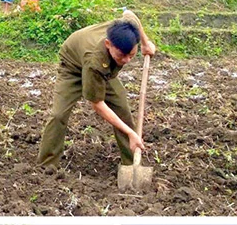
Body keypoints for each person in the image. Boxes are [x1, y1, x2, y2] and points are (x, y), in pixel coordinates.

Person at [38, 13, 156, 169]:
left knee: (122, 109)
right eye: (122, 55)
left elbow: (130, 14)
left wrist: (145, 43)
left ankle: (131, 164)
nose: (127, 60)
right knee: (58, 115)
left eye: (132, 55)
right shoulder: (96, 62)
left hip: (102, 66)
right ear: (108, 44)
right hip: (72, 66)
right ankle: (47, 165)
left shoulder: (126, 27)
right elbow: (97, 104)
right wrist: (130, 133)